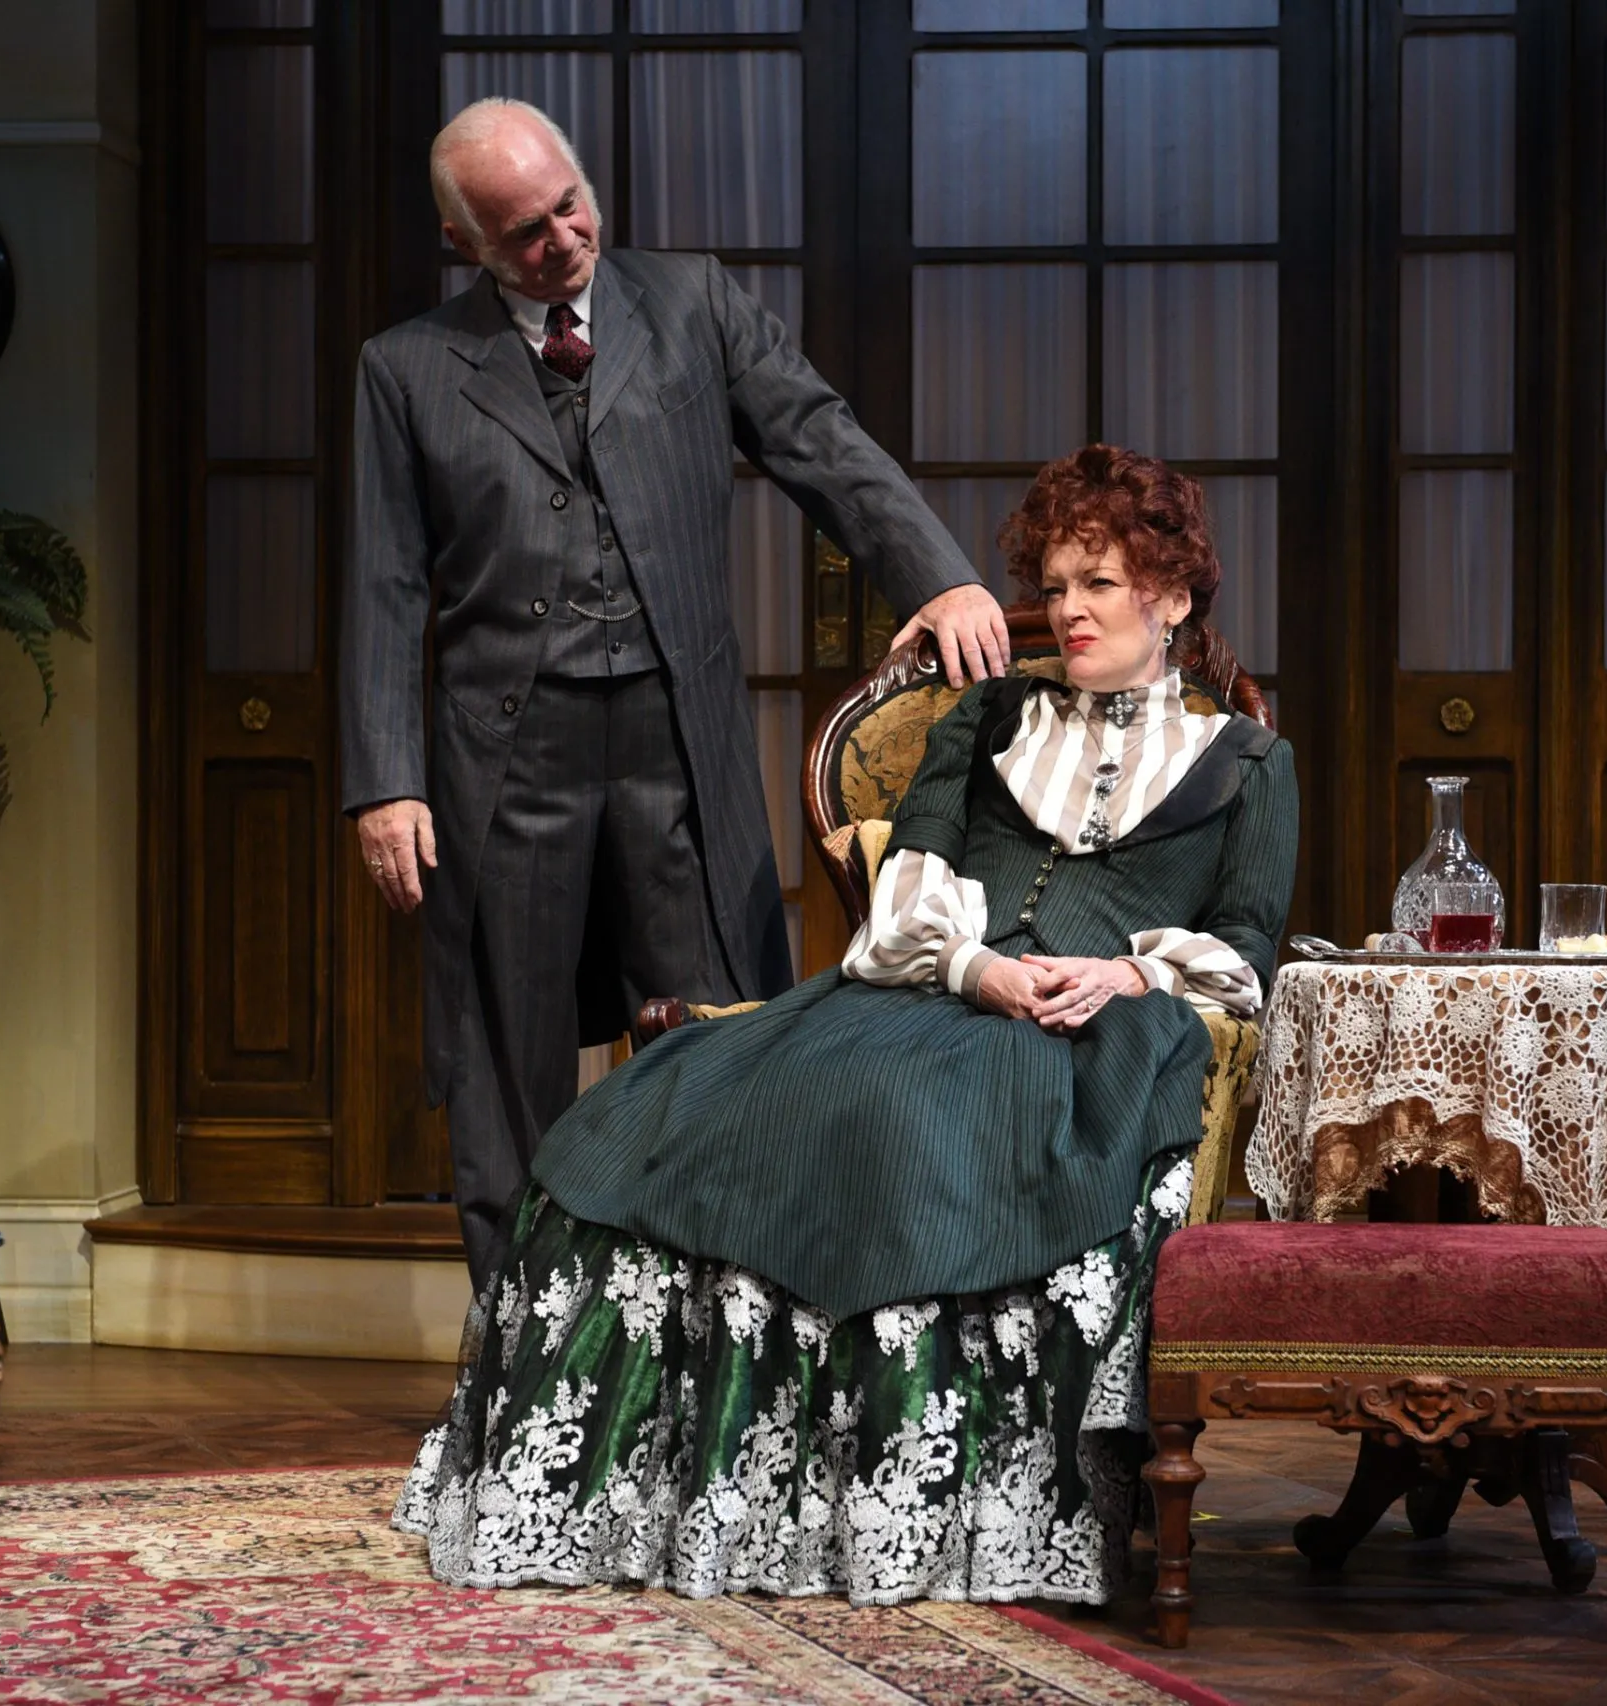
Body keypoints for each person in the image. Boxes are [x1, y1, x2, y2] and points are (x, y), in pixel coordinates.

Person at [394, 445, 1299, 1605]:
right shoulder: (986, 718)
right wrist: (976, 968)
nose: (1067, 609)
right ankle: (662, 1489)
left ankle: (906, 1500)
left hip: (1098, 1033)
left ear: (1170, 596)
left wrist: (1122, 974)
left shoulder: (1249, 764)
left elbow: (1245, 952)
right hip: (929, 990)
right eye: (1055, 583)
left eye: (1100, 583)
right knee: (652, 1101)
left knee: (915, 1111)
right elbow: (907, 890)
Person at [344, 99, 1011, 1286]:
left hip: (675, 741)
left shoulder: (692, 301)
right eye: (525, 232)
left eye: (569, 205)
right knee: (507, 1064)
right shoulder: (406, 370)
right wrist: (386, 780)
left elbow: (818, 439)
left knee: (716, 1033)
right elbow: (385, 582)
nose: (562, 238)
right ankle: (523, 1339)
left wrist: (941, 576)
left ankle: (714, 1325)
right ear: (466, 245)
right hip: (509, 759)